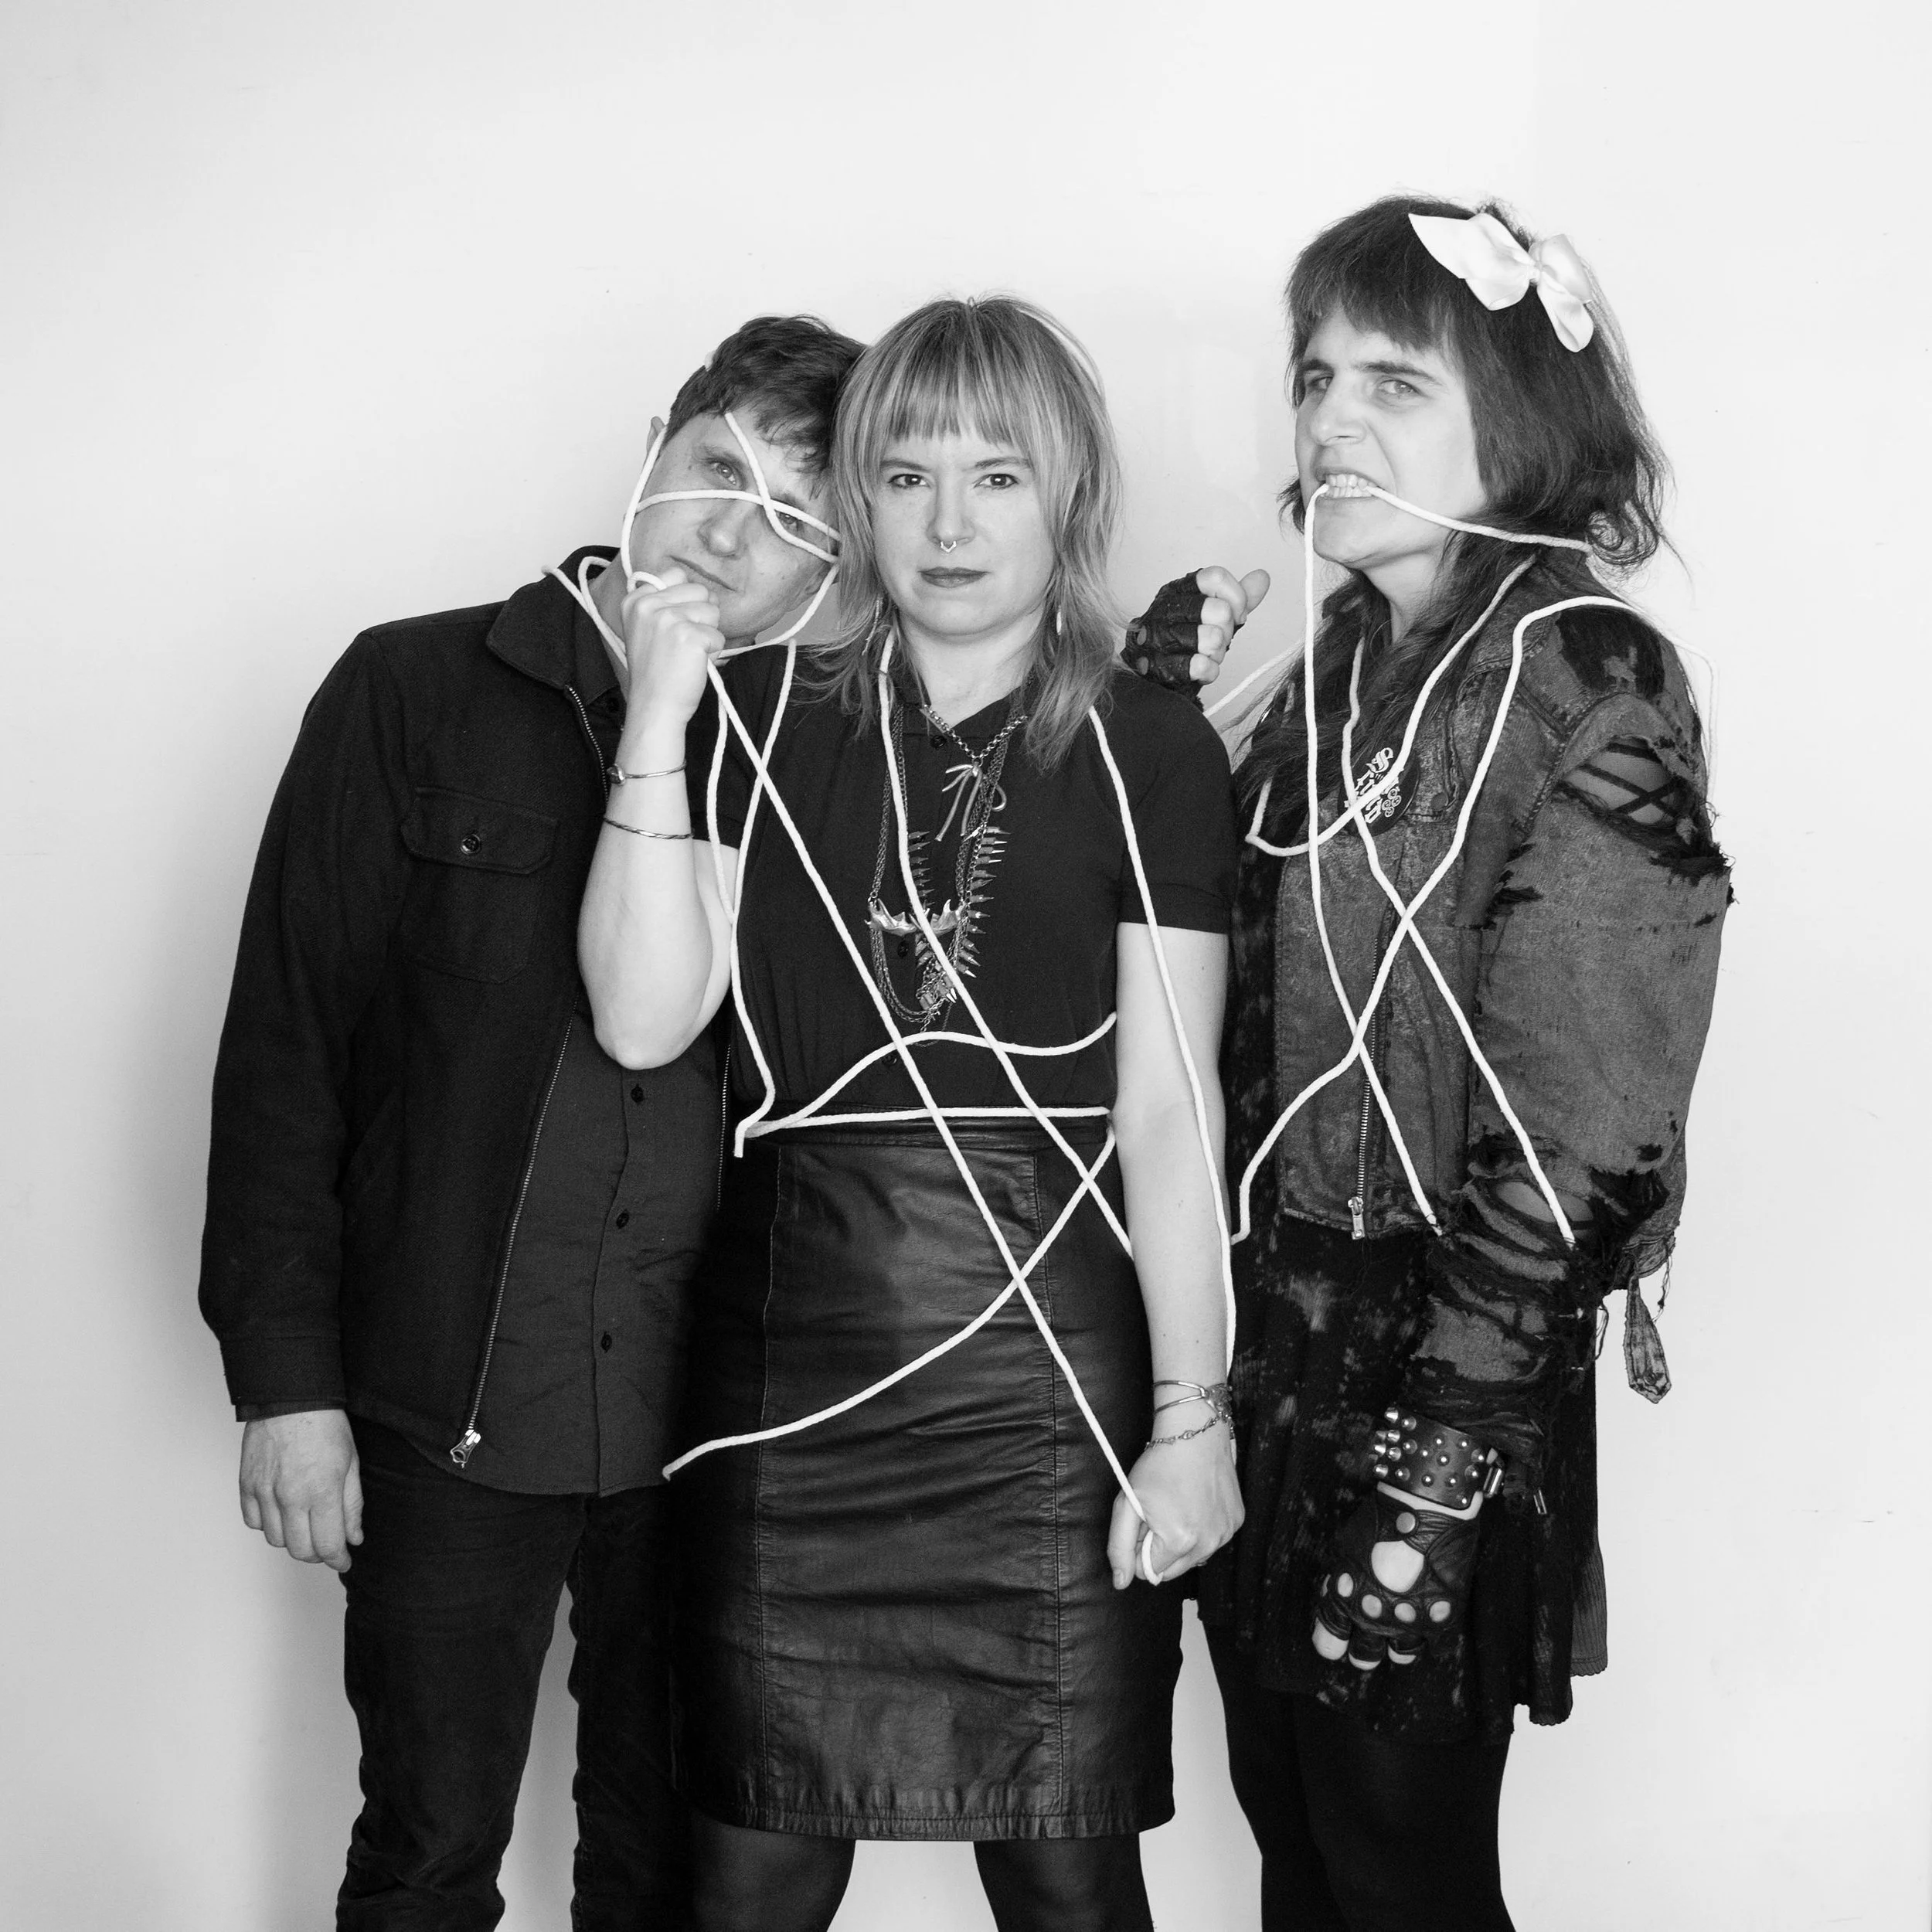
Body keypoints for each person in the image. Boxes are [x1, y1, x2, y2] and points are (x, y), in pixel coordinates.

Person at [577, 296, 1243, 1932]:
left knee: (1069, 1872)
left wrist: (1192, 1416)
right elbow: (644, 1014)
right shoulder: (755, 713)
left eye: (998, 475)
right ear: (856, 501)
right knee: (747, 1871)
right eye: (906, 473)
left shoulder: (1148, 741)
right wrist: (659, 722)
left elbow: (1167, 1115)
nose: (950, 522)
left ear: (1066, 497)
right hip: (793, 1355)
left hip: (1046, 1379)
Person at [198, 313, 864, 1930]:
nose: (729, 535)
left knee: (664, 1865)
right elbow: (285, 1053)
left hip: (701, 1429)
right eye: (719, 470)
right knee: (428, 1852)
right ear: (656, 438)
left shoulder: (805, 757)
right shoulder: (413, 685)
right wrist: (284, 1385)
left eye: (795, 521)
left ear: (827, 575)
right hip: (449, 1404)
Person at [1155, 197, 1731, 1930]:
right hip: (1268, 1352)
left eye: (1392, 382)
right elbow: (1212, 1013)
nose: (1328, 420)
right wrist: (1149, 726)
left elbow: (1590, 1127)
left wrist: (1435, 1457)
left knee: (1397, 1866)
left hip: (1434, 1368)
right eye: (1316, 375)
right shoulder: (1327, 670)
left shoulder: (1583, 670)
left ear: (1517, 423)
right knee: (1298, 1843)